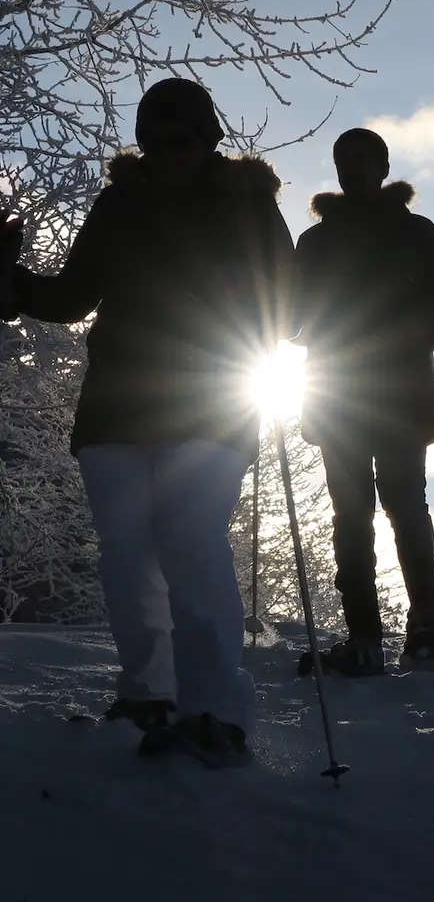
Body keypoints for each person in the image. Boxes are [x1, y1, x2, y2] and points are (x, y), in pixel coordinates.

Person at [0, 78, 295, 763]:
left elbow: (290, 299)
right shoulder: (120, 201)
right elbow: (75, 296)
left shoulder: (245, 201)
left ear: (209, 138)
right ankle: (148, 693)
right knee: (127, 555)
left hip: (210, 397)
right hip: (117, 403)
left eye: (181, 139)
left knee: (190, 540)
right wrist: (9, 282)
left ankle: (216, 710)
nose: (167, 154)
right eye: (154, 140)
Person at [293, 128, 434, 673]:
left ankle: (417, 629)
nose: (354, 169)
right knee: (366, 513)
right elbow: (293, 317)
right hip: (359, 391)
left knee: (395, 507)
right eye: (345, 160)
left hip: (376, 392)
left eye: (363, 160)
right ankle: (379, 633)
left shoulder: (398, 234)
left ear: (383, 166)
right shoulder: (319, 241)